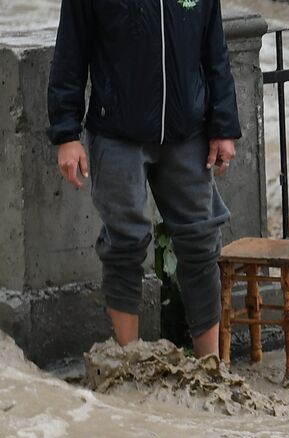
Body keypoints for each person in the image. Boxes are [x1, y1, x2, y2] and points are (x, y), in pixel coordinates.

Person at [48, 0, 241, 359]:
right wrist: (66, 134)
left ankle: (211, 366)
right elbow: (70, 52)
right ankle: (130, 363)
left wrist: (223, 126)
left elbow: (215, 50)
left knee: (201, 243)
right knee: (125, 245)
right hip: (116, 133)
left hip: (188, 134)